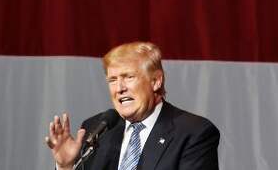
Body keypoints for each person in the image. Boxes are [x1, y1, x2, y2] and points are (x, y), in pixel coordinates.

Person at [45, 41, 219, 170]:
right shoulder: (97, 130)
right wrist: (66, 166)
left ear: (156, 81)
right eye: (113, 80)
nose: (119, 88)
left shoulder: (193, 133)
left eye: (129, 77)